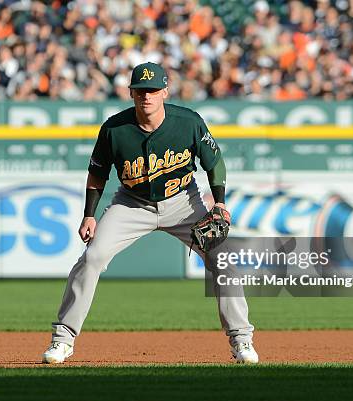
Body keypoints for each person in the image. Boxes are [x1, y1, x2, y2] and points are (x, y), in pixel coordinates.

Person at [42, 62, 257, 365]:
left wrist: (219, 202)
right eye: (141, 90)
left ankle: (242, 341)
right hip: (131, 203)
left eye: (153, 90)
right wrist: (89, 215)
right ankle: (63, 340)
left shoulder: (188, 122)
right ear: (131, 92)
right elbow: (97, 175)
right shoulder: (114, 129)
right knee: (92, 258)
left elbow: (215, 162)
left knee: (222, 261)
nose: (147, 96)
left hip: (184, 202)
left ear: (165, 91)